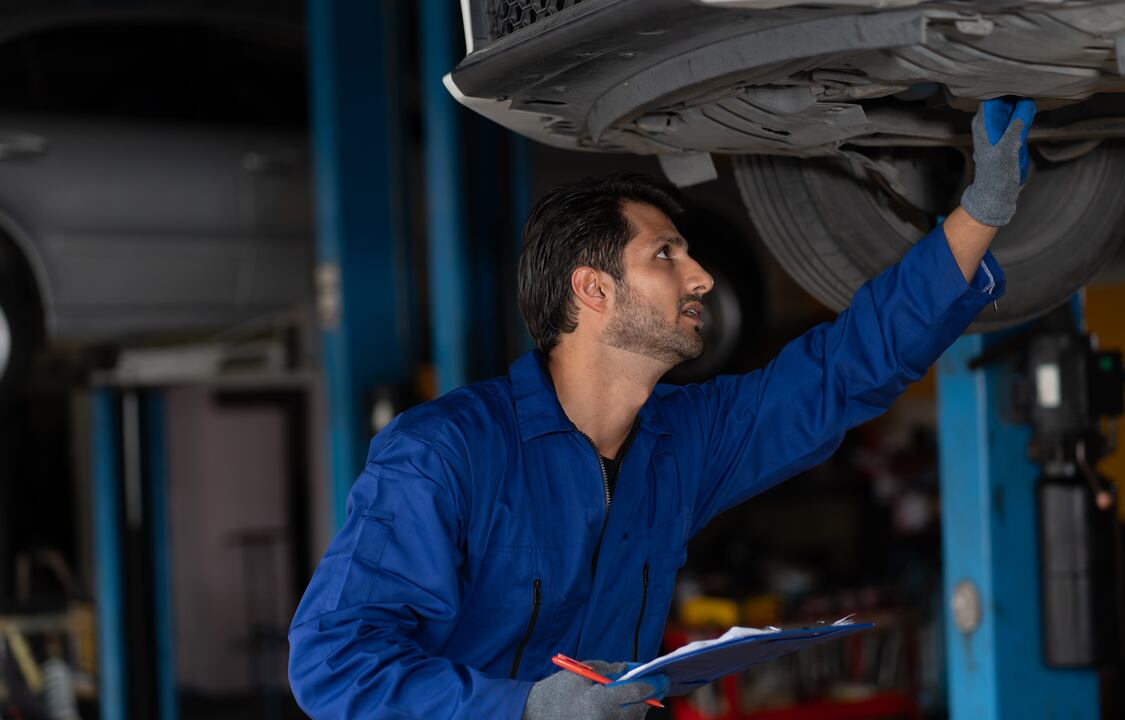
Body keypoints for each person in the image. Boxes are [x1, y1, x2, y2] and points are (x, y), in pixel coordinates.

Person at [287, 97, 1036, 719]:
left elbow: (842, 373)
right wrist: (525, 708)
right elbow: (332, 664)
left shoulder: (682, 443)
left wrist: (982, 211)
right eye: (667, 255)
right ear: (593, 289)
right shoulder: (445, 454)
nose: (703, 277)